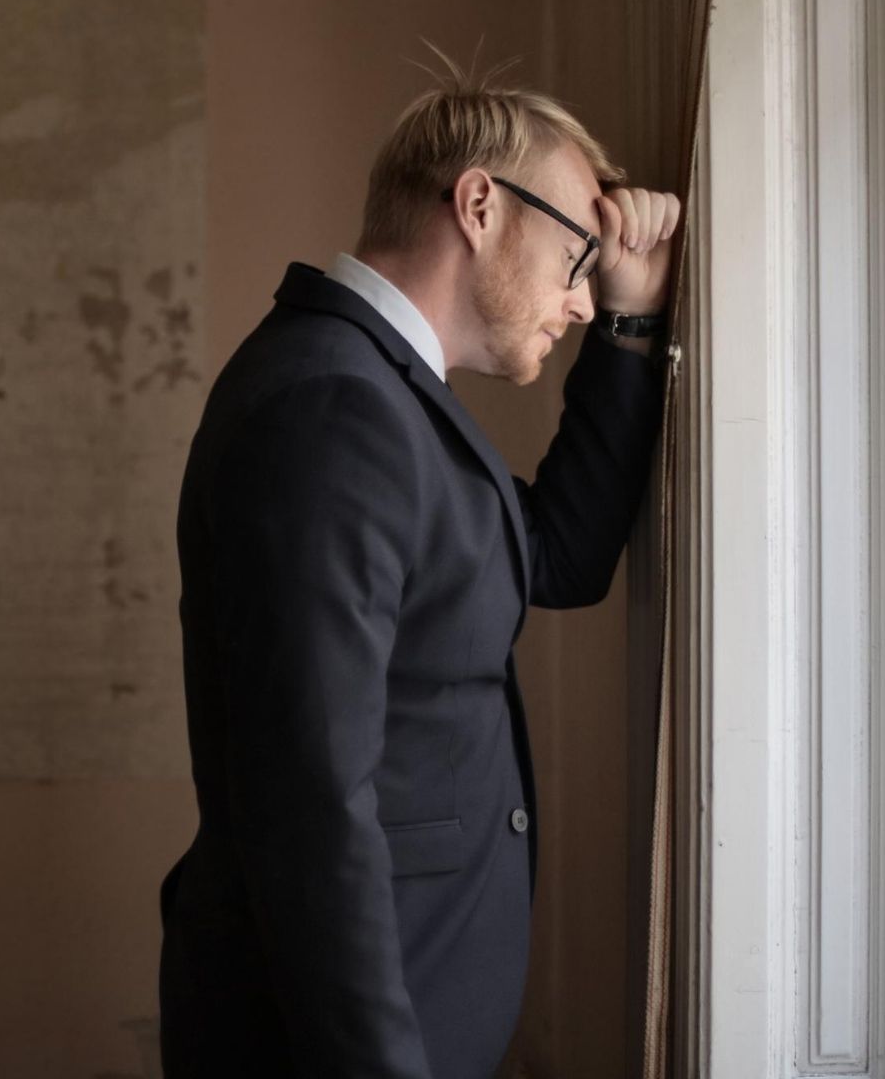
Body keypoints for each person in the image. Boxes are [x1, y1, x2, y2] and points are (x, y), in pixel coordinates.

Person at [156, 53, 681, 1078]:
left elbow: (556, 555)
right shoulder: (333, 404)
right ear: (480, 203)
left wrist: (630, 321)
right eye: (577, 255)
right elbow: (309, 799)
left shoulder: (380, 393)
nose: (578, 302)